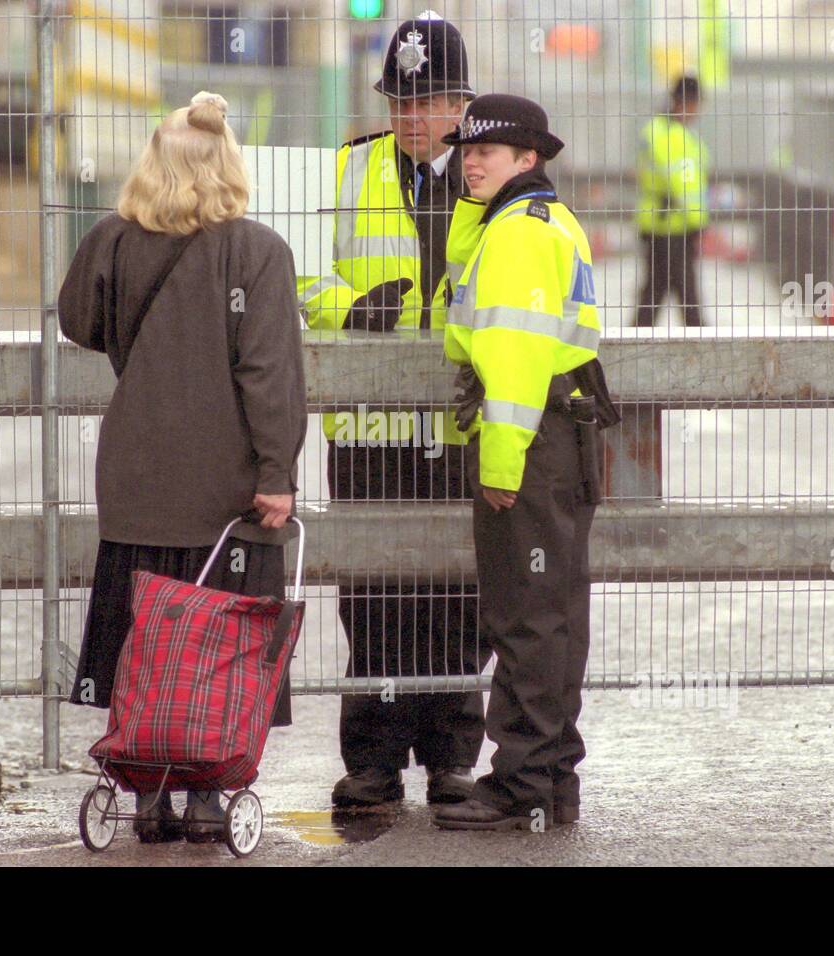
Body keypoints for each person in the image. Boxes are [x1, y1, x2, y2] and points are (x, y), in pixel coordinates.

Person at [59, 91, 307, 843]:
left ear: (152, 166)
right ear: (227, 165)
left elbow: (78, 322)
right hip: (225, 490)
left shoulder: (112, 239)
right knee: (217, 651)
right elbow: (268, 373)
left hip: (136, 481)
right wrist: (276, 472)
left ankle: (145, 797)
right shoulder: (259, 253)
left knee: (143, 645)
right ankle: (208, 798)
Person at [297, 13, 488, 810]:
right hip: (372, 424)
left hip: (454, 424)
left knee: (457, 592)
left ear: (460, 104)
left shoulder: (491, 182)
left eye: (429, 102)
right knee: (372, 593)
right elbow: (301, 271)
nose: (412, 118)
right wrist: (348, 310)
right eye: (400, 102)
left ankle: (450, 756)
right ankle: (373, 760)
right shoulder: (344, 170)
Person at [432, 94, 618, 831]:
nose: (471, 161)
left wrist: (500, 465)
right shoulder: (540, 222)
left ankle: (521, 782)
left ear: (528, 159)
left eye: (490, 151)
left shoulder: (514, 234)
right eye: (467, 150)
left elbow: (511, 362)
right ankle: (550, 775)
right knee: (554, 611)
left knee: (527, 615)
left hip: (530, 442)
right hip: (561, 436)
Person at [633, 75, 709, 328]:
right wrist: (699, 222)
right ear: (685, 103)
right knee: (684, 296)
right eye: (697, 104)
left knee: (656, 292)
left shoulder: (665, 132)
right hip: (671, 227)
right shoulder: (670, 136)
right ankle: (704, 349)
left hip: (664, 225)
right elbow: (681, 184)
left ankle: (635, 344)